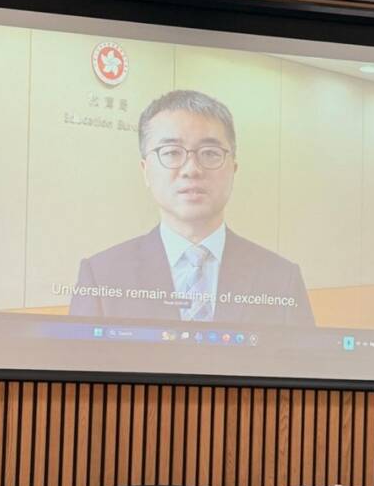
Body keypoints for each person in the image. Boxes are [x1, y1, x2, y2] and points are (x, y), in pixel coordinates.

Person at [69, 89, 315, 325]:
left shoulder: (282, 278)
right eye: (171, 152)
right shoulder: (101, 276)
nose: (192, 169)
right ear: (145, 171)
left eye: (210, 153)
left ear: (233, 169)